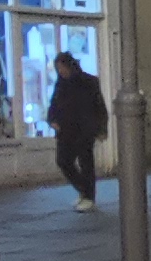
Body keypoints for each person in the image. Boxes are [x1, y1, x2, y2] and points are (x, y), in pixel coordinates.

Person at [45, 47, 107, 205]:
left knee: (86, 162)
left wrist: (101, 128)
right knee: (63, 161)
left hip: (85, 129)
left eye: (62, 68)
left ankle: (89, 196)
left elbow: (99, 106)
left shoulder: (89, 82)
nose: (61, 71)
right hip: (65, 130)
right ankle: (83, 189)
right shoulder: (60, 85)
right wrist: (52, 119)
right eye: (58, 69)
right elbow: (54, 103)